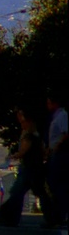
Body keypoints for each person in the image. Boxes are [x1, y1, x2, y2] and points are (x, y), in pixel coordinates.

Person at [0, 106, 56, 227]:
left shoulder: (29, 135)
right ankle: (6, 216)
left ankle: (6, 216)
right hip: (33, 168)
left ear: (28, 120)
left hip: (30, 169)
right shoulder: (34, 133)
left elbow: (23, 151)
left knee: (22, 193)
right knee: (24, 192)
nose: (21, 122)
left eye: (22, 120)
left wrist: (13, 156)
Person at [46, 92, 69, 225]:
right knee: (54, 185)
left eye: (49, 102)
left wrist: (58, 146)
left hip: (61, 155)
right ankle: (57, 215)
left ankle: (59, 215)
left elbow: (66, 133)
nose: (47, 105)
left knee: (58, 185)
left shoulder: (62, 116)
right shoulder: (55, 117)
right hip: (55, 153)